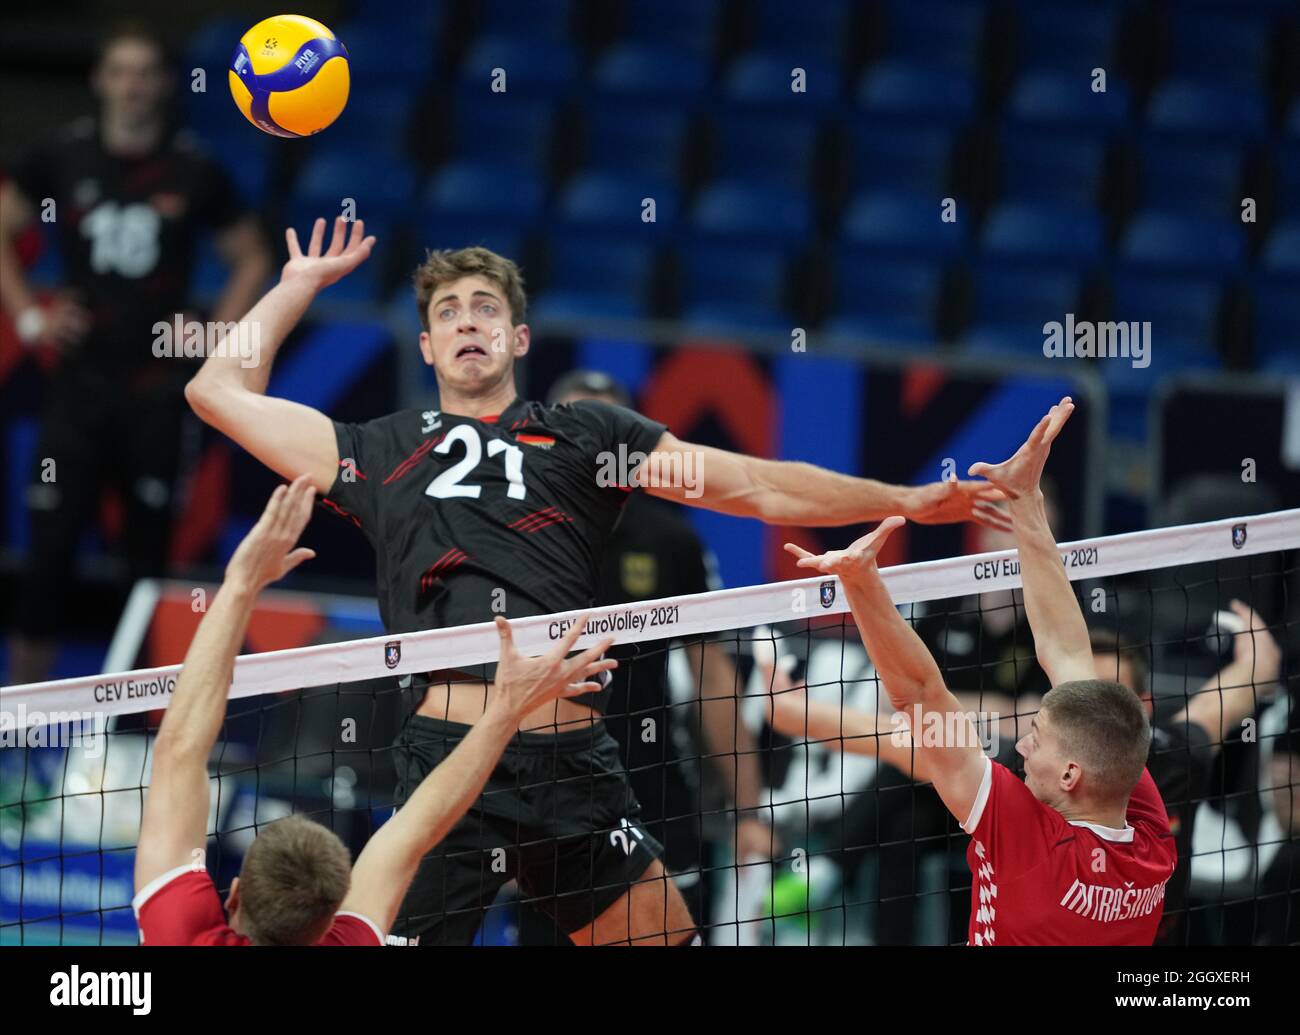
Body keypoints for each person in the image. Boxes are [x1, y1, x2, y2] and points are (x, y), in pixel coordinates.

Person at [184, 216, 1008, 946]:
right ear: (428, 347)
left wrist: (899, 499)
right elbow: (214, 391)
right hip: (455, 767)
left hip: (577, 764)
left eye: (486, 309)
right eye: (447, 312)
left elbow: (753, 483)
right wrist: (294, 286)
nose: (468, 321)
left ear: (519, 339)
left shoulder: (586, 436)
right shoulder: (377, 450)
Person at [133, 476, 617, 945]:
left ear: (233, 896)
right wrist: (508, 708)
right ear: (330, 920)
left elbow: (179, 747)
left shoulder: (182, 935)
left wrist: (239, 585)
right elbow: (417, 826)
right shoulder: (352, 941)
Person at [785, 398, 1177, 944]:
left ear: (1070, 775)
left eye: (1035, 741)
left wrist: (862, 584)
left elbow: (922, 696)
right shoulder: (1149, 838)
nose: (1019, 748)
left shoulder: (1026, 836)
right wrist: (1027, 503)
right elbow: (1067, 654)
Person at [1, 22, 272, 684]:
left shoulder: (194, 167)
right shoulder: (60, 155)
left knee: (148, 563)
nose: (131, 86)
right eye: (119, 71)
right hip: (77, 385)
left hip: (157, 390)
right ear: (99, 80)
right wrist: (29, 315)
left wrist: (217, 342)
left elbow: (253, 255)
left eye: (144, 72)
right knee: (47, 555)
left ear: (163, 84)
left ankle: (135, 729)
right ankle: (21, 725)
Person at [765, 609, 1280, 943]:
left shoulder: (1167, 756)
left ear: (1139, 707)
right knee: (908, 816)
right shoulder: (1034, 763)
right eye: (1076, 693)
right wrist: (796, 715)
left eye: (1101, 695)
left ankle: (827, 866)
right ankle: (829, 866)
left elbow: (1228, 699)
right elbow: (910, 743)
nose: (1083, 706)